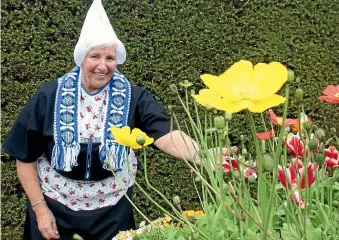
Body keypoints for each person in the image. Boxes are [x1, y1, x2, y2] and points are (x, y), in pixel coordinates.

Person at [2, 1, 204, 239]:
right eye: (95, 56)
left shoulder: (134, 96)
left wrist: (204, 157)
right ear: (82, 59)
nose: (103, 65)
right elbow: (24, 157)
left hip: (113, 207)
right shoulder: (49, 96)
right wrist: (40, 209)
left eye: (110, 58)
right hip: (54, 204)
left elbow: (165, 133)